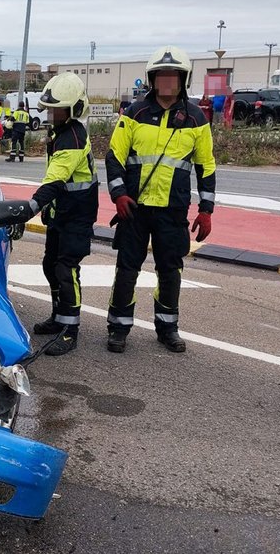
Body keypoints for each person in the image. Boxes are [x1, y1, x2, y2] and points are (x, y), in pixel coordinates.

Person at [104, 45, 217, 354]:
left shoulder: (196, 119)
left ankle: (167, 327)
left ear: (184, 80)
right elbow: (114, 156)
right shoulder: (135, 113)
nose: (167, 83)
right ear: (152, 80)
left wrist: (206, 210)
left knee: (170, 270)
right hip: (135, 209)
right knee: (127, 268)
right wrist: (119, 194)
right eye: (162, 77)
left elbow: (205, 166)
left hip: (172, 210)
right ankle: (118, 327)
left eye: (173, 77)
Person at [22, 72, 99, 356]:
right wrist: (48, 211)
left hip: (77, 217)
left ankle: (70, 330)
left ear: (75, 108)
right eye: (51, 109)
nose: (52, 113)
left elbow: (54, 181)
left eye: (58, 109)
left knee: (67, 270)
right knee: (50, 265)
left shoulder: (73, 138)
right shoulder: (60, 132)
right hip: (62, 214)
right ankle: (58, 317)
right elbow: (59, 182)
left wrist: (28, 209)